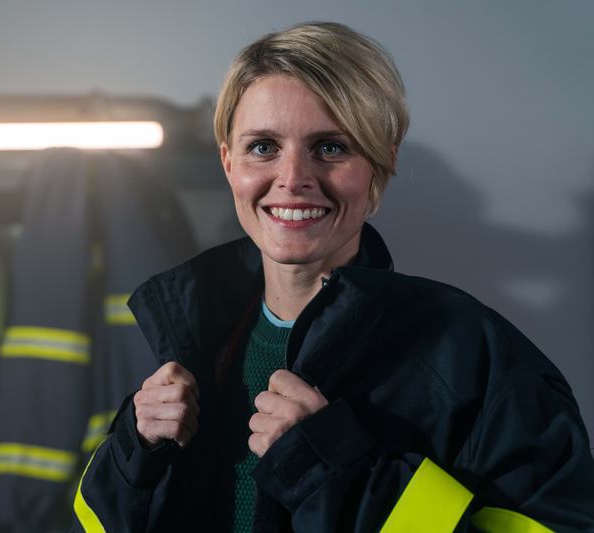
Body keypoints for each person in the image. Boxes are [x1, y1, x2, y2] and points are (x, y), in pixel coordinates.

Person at [70, 22, 594, 532]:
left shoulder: (470, 358)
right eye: (263, 147)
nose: (293, 179)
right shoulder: (193, 338)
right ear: (229, 163)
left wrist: (336, 476)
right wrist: (133, 453)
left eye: (330, 147)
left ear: (381, 162)